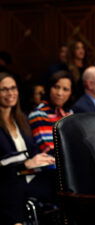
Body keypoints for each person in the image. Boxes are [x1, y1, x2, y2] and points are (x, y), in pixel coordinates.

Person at [0, 72, 55, 225]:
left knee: (62, 181)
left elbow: (33, 151)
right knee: (13, 189)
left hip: (31, 177)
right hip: (9, 179)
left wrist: (42, 158)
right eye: (4, 89)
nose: (10, 93)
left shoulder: (22, 118)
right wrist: (25, 164)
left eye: (13, 88)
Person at [28, 71, 74, 153]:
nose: (60, 93)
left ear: (70, 93)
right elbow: (49, 149)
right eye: (56, 87)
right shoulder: (38, 114)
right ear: (49, 88)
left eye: (65, 89)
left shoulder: (69, 113)